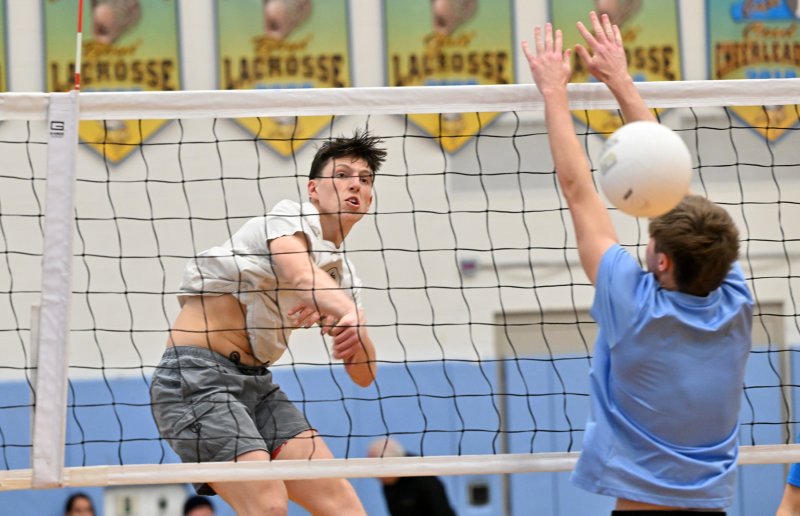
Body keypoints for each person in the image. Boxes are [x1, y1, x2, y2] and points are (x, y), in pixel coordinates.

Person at [521, 11, 752, 514]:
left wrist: (554, 92)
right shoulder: (736, 298)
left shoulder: (633, 303)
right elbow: (672, 188)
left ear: (662, 262)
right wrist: (620, 81)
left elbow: (579, 189)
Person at [150, 130, 385, 515]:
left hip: (256, 386)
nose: (355, 184)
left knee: (344, 506)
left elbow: (364, 375)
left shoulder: (342, 277)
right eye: (342, 175)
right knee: (269, 505)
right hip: (196, 379)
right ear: (313, 189)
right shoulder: (289, 217)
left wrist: (355, 335)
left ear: (370, 198)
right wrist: (346, 310)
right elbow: (299, 275)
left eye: (365, 179)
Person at [367, 438, 456, 516]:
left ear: (392, 465)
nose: (374, 475)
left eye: (376, 468)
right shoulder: (388, 480)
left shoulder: (424, 479)